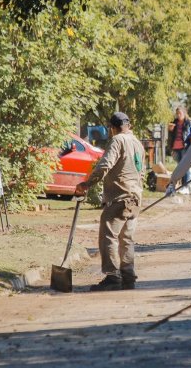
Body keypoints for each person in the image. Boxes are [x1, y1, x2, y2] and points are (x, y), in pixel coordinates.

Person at [75, 112, 145, 291]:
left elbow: (105, 165)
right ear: (128, 125)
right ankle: (128, 277)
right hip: (135, 197)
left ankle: (113, 276)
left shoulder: (117, 141)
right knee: (127, 238)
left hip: (120, 197)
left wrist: (87, 183)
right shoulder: (138, 143)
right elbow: (141, 172)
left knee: (108, 235)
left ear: (112, 128)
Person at [167, 106, 191, 194]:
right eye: (177, 113)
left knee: (187, 167)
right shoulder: (174, 122)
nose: (178, 115)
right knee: (180, 168)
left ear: (184, 113)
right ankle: (184, 187)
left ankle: (189, 187)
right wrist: (170, 130)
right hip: (176, 148)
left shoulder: (188, 123)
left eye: (180, 113)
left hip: (185, 147)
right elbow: (171, 137)